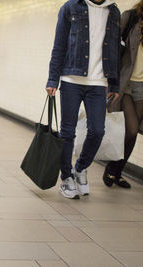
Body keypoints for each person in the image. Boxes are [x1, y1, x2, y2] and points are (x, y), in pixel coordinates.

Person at [46, 0, 120, 199]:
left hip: (98, 82)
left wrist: (114, 84)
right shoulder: (70, 7)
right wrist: (53, 79)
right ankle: (66, 178)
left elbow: (115, 51)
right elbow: (59, 45)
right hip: (71, 78)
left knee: (97, 131)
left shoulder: (113, 11)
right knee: (67, 132)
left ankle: (80, 169)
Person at [104, 0, 143, 189]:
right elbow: (111, 46)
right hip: (125, 83)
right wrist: (109, 79)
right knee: (132, 128)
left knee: (133, 134)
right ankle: (112, 168)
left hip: (142, 86)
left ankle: (118, 173)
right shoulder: (131, 17)